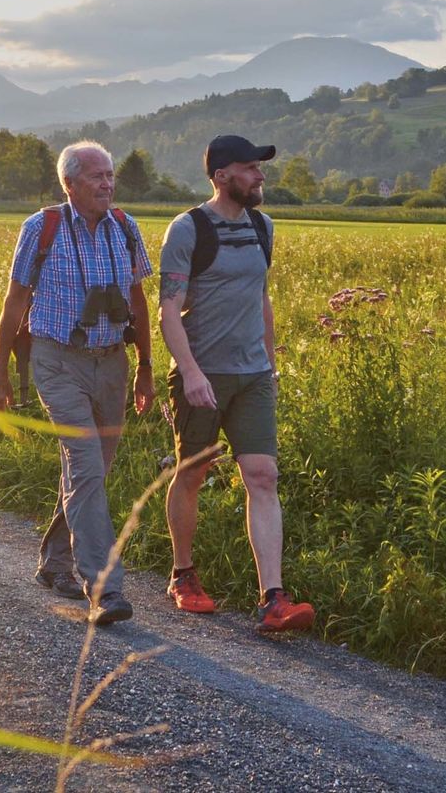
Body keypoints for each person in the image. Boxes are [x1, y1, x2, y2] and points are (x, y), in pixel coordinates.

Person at [0, 142, 154, 626]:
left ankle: (56, 561)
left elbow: (139, 302)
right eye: (97, 177)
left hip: (112, 363)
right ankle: (105, 588)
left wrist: (145, 366)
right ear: (70, 184)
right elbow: (15, 302)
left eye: (110, 176)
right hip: (57, 361)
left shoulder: (125, 228)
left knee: (94, 472)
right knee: (84, 466)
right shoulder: (42, 228)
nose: (107, 184)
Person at [157, 134, 315, 633]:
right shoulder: (188, 229)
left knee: (263, 477)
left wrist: (269, 362)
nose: (260, 176)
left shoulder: (262, 227)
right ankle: (183, 575)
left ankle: (274, 598)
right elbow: (167, 311)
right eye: (250, 168)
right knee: (193, 473)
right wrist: (191, 373)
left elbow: (260, 297)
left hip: (252, 378)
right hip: (201, 375)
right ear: (222, 176)